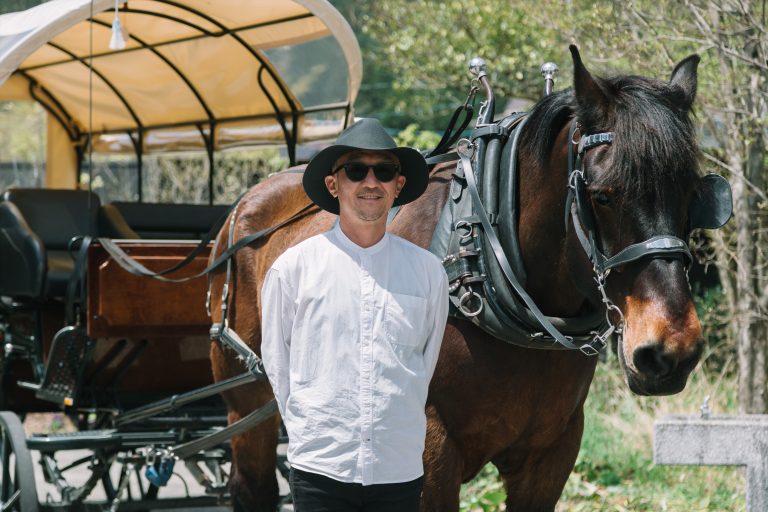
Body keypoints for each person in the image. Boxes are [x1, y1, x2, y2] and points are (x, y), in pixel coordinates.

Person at [260, 118, 449, 512]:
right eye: (356, 170)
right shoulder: (294, 269)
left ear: (398, 185)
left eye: (384, 171)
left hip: (398, 469)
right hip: (321, 469)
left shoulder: (429, 273)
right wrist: (311, 432)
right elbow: (278, 365)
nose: (371, 182)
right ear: (334, 185)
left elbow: (424, 366)